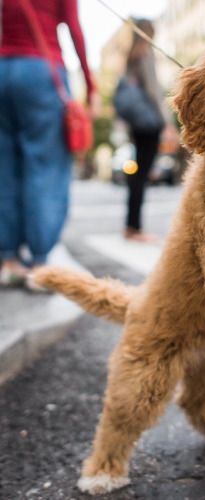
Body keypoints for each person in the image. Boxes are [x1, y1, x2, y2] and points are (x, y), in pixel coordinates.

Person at [0, 0, 97, 288]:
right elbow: (74, 31)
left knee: (5, 169)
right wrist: (90, 85)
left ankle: (7, 259)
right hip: (41, 71)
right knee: (45, 168)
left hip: (3, 70)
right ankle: (40, 263)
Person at [122, 19, 173, 242]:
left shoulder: (130, 57)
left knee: (138, 175)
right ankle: (135, 228)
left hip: (136, 124)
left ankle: (131, 225)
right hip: (149, 123)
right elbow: (154, 91)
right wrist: (167, 122)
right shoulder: (146, 53)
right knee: (141, 176)